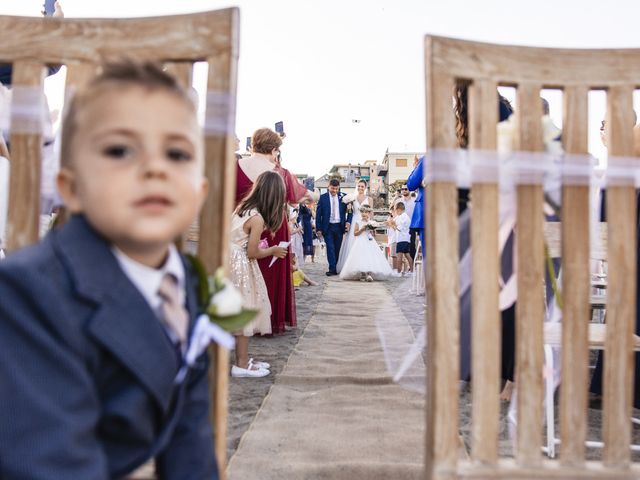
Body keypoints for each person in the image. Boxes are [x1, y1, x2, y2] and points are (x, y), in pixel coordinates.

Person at [0, 61, 218, 479]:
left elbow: (190, 434)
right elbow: (47, 461)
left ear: (199, 191)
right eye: (120, 150)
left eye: (176, 154)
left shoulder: (185, 280)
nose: (154, 168)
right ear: (71, 188)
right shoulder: (27, 292)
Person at [235, 127, 309, 334]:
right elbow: (299, 196)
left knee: (243, 272)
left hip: (243, 226)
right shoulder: (280, 173)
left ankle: (245, 320)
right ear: (275, 149)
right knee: (271, 272)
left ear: (253, 145)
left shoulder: (235, 166)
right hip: (274, 227)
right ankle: (268, 320)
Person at [230, 171, 288, 378]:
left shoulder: (243, 208)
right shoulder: (257, 218)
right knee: (246, 310)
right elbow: (252, 253)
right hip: (240, 265)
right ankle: (241, 364)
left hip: (229, 260)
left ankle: (243, 359)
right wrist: (272, 250)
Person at [339, 205, 392, 281]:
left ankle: (369, 274)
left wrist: (372, 230)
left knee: (370, 256)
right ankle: (363, 274)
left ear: (369, 213)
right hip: (360, 240)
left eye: (366, 212)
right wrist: (362, 229)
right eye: (362, 212)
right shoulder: (358, 222)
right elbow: (355, 233)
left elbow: (374, 234)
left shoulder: (371, 222)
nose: (364, 214)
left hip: (369, 241)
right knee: (361, 256)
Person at [316, 178, 352, 276]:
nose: (334, 191)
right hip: (328, 227)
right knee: (330, 248)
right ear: (329, 187)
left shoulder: (344, 197)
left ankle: (336, 266)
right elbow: (318, 214)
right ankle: (332, 269)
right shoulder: (323, 198)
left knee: (337, 248)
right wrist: (318, 228)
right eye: (332, 188)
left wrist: (348, 222)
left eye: (336, 189)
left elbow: (350, 212)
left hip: (339, 227)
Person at [336, 178, 372, 273]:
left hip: (365, 222)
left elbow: (371, 213)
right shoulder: (352, 198)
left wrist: (370, 225)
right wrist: (348, 208)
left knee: (364, 244)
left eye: (362, 186)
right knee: (352, 243)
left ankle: (364, 267)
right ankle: (351, 267)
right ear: (357, 187)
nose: (360, 188)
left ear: (365, 188)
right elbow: (350, 212)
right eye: (359, 186)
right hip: (354, 222)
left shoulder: (369, 199)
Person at [391, 201, 413, 275]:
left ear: (399, 209)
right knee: (407, 255)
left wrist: (394, 225)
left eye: (395, 210)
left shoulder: (403, 217)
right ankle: (412, 271)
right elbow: (394, 222)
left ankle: (399, 272)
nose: (395, 212)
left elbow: (399, 228)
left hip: (401, 239)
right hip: (405, 239)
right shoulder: (402, 216)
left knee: (399, 256)